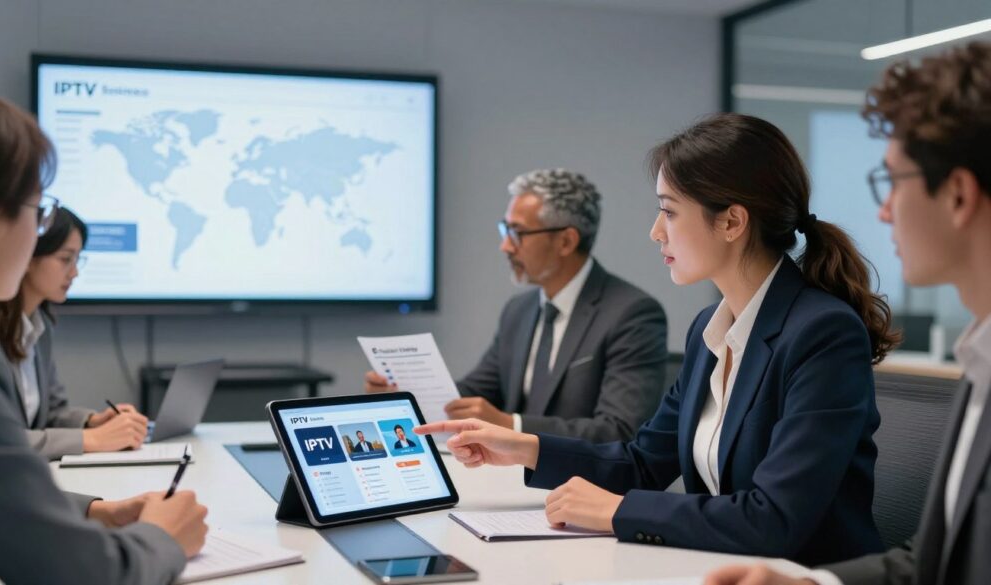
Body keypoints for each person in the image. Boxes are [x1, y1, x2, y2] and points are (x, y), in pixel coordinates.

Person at [416, 113, 899, 565]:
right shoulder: (710, 330)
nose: (655, 232)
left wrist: (616, 512)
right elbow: (642, 463)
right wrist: (526, 448)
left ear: (732, 222)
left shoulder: (822, 333)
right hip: (722, 568)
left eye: (668, 212)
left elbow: (773, 518)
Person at [704, 41, 991, 585]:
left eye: (893, 183)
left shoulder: (820, 329)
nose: (883, 212)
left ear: (957, 194)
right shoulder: (980, 360)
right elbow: (931, 561)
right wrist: (813, 584)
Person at [0, 87, 208, 584]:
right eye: (39, 211)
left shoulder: (31, 328)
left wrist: (95, 511)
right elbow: (83, 574)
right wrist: (163, 537)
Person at [367, 168, 668, 442]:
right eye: (505, 230)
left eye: (518, 233)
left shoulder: (632, 314)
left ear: (566, 241)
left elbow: (619, 431)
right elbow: (477, 392)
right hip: (509, 475)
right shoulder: (519, 310)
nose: (505, 246)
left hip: (580, 478)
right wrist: (406, 396)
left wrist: (511, 424)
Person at [0, 207, 148, 460]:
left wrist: (91, 422)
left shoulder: (39, 325)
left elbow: (50, 414)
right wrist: (90, 440)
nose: (74, 272)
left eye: (77, 260)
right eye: (65, 259)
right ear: (29, 255)